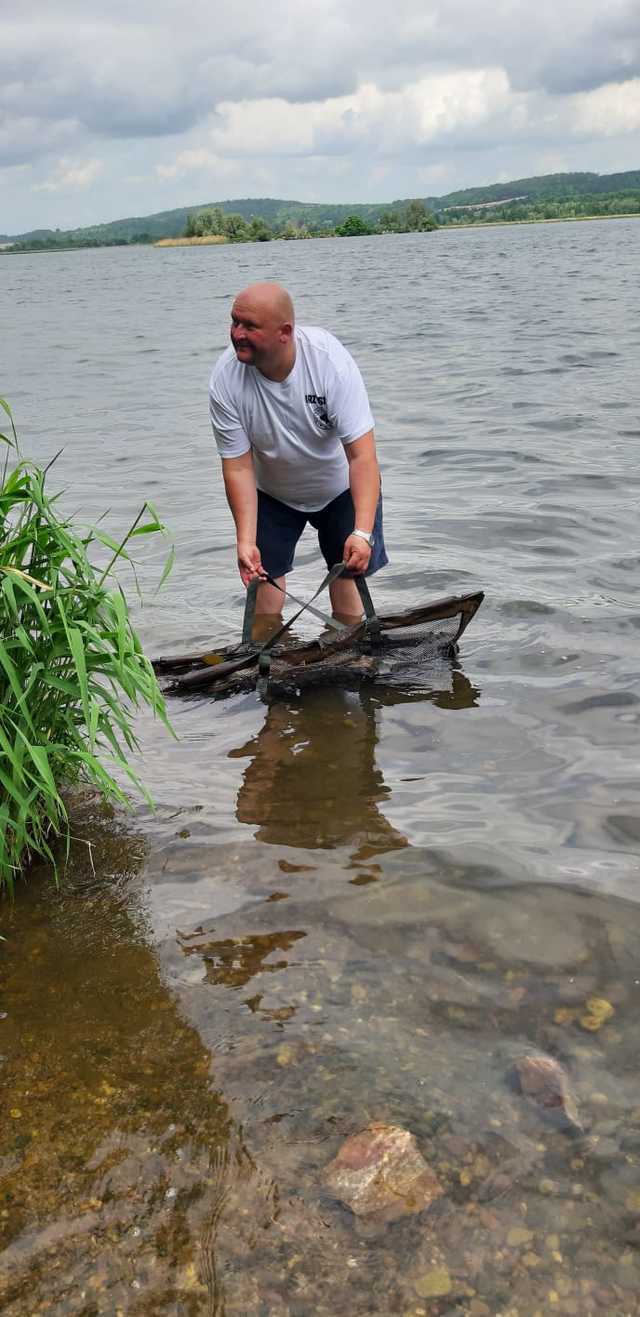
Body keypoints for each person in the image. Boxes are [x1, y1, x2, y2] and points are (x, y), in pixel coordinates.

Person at [209, 282, 388, 622]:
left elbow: (362, 457)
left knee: (346, 581)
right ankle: (268, 664)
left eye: (250, 326)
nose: (237, 334)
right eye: (234, 322)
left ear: (285, 332)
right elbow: (238, 468)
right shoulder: (225, 379)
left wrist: (362, 533)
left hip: (340, 489)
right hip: (273, 494)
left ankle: (350, 663)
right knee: (263, 590)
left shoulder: (328, 362)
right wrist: (245, 541)